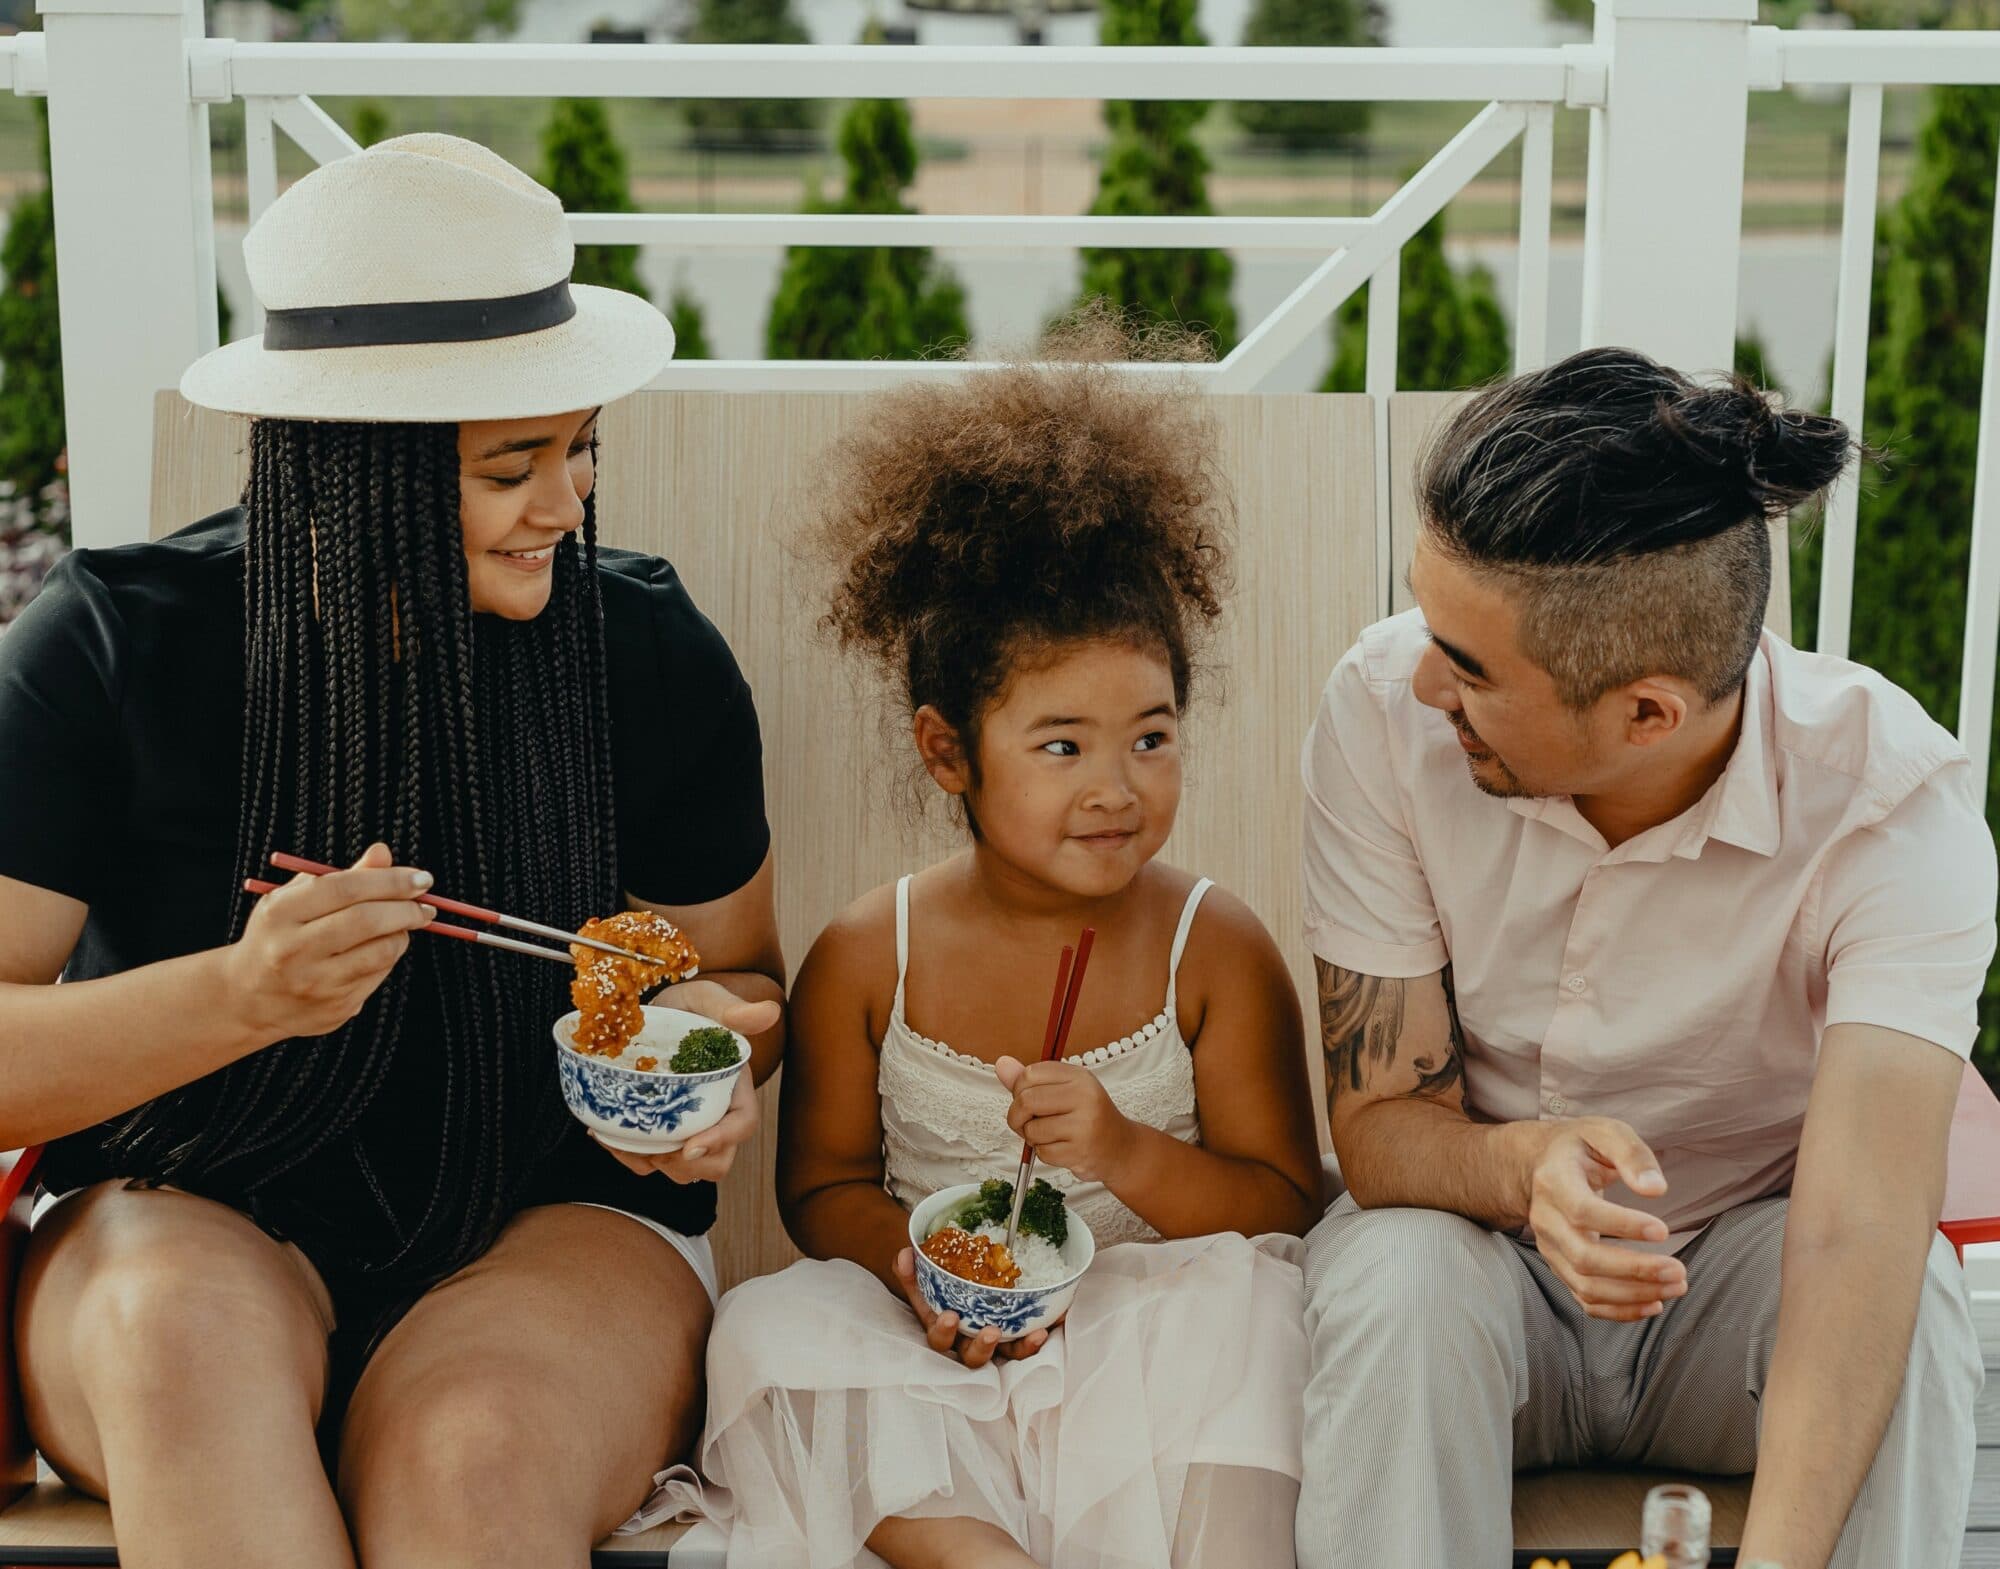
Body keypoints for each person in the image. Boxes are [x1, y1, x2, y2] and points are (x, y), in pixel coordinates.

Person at [0, 134, 785, 1567]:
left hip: (552, 1216)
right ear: (353, 467)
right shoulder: (111, 643)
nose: (567, 505)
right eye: (511, 467)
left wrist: (701, 1057)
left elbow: (742, 982)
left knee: (472, 1461)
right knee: (180, 1349)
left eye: (580, 447)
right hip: (180, 1199)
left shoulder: (645, 649)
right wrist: (239, 999)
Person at [1294, 346, 1994, 1569]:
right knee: (1394, 1279)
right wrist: (1523, 1169)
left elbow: (1856, 1229)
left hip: (1730, 1297)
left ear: (1646, 714)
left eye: (1469, 668)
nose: (1424, 681)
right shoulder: (1380, 710)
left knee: (1920, 1305)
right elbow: (1377, 1127)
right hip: (1478, 1277)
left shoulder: (1890, 811)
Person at [643, 338, 1323, 1569]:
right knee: (767, 1330)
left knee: (1254, 1312)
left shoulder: (1211, 946)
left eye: (1151, 737)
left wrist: (1120, 1151)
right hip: (933, 1339)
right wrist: (917, 1271)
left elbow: (1282, 1199)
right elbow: (820, 1191)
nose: (1116, 788)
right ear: (946, 750)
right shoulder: (872, 952)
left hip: (1152, 1339)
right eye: (1061, 746)